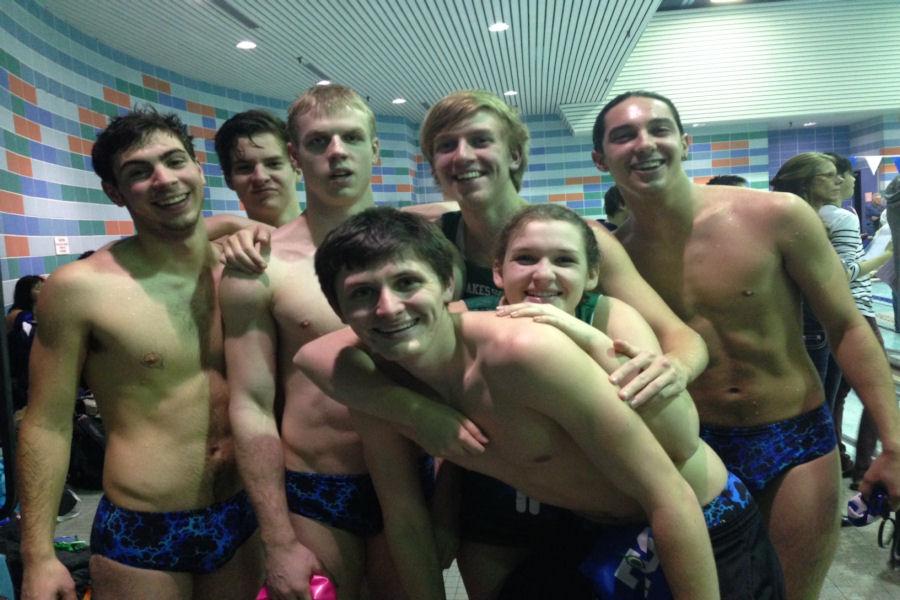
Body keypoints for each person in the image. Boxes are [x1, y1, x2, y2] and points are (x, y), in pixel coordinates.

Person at [298, 206, 784, 600]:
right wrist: (419, 415)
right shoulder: (378, 390)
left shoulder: (525, 352)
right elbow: (405, 519)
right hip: (593, 537)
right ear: (340, 311)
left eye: (407, 283)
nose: (387, 308)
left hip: (700, 520)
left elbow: (668, 491)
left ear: (449, 284)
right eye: (362, 294)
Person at [590, 90, 900, 600]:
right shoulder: (613, 259)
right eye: (623, 135)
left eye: (659, 130)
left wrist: (893, 440)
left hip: (792, 438)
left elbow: (846, 326)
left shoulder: (776, 216)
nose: (644, 144)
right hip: (689, 449)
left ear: (685, 143)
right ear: (601, 158)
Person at [17, 108, 262, 600]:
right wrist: (39, 555)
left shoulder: (245, 269)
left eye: (175, 161)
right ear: (115, 191)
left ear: (197, 168)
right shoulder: (80, 289)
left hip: (242, 512)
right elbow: (46, 422)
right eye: (139, 171)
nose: (164, 179)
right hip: (144, 527)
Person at [222, 84, 439, 600]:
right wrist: (275, 539)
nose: (337, 153)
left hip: (411, 476)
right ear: (295, 157)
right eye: (319, 142)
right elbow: (250, 403)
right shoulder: (260, 264)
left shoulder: (425, 246)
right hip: (316, 486)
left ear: (375, 149)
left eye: (351, 138)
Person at [774, 152, 893, 488]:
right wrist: (885, 257)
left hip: (816, 317)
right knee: (857, 392)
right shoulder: (833, 218)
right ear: (810, 182)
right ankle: (857, 468)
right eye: (831, 175)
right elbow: (840, 272)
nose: (843, 180)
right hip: (844, 312)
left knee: (829, 398)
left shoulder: (796, 217)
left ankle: (834, 460)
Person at [214, 109, 302, 227]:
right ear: (228, 179)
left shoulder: (332, 238)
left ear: (298, 169)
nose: (260, 177)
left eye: (273, 164)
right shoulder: (221, 244)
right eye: (245, 168)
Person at [6, 275, 44, 410]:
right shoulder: (19, 315)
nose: (43, 291)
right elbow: (29, 340)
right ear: (26, 293)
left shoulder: (34, 312)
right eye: (38, 288)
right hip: (19, 368)